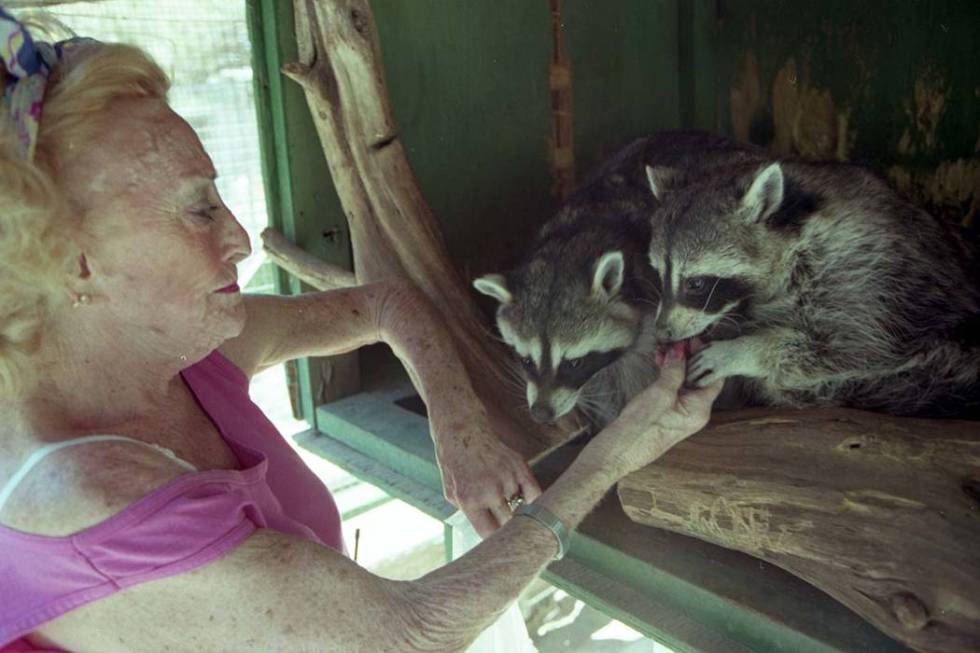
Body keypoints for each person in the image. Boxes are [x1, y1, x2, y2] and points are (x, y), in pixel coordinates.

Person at [0, 15, 723, 653]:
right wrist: (619, 446)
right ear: (74, 261)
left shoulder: (177, 349)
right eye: (196, 210)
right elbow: (410, 635)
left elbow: (383, 302)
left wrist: (457, 421)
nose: (242, 237)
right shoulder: (95, 502)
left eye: (219, 193)